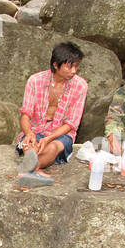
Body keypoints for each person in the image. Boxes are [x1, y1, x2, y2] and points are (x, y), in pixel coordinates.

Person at [16, 41, 87, 186]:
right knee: (31, 147)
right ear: (56, 64)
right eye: (70, 66)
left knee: (53, 147)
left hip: (60, 133)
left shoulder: (80, 86)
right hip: (36, 128)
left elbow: (71, 124)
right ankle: (33, 171)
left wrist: (48, 138)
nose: (74, 70)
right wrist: (29, 133)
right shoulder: (35, 81)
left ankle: (30, 170)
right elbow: (25, 114)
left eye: (76, 66)